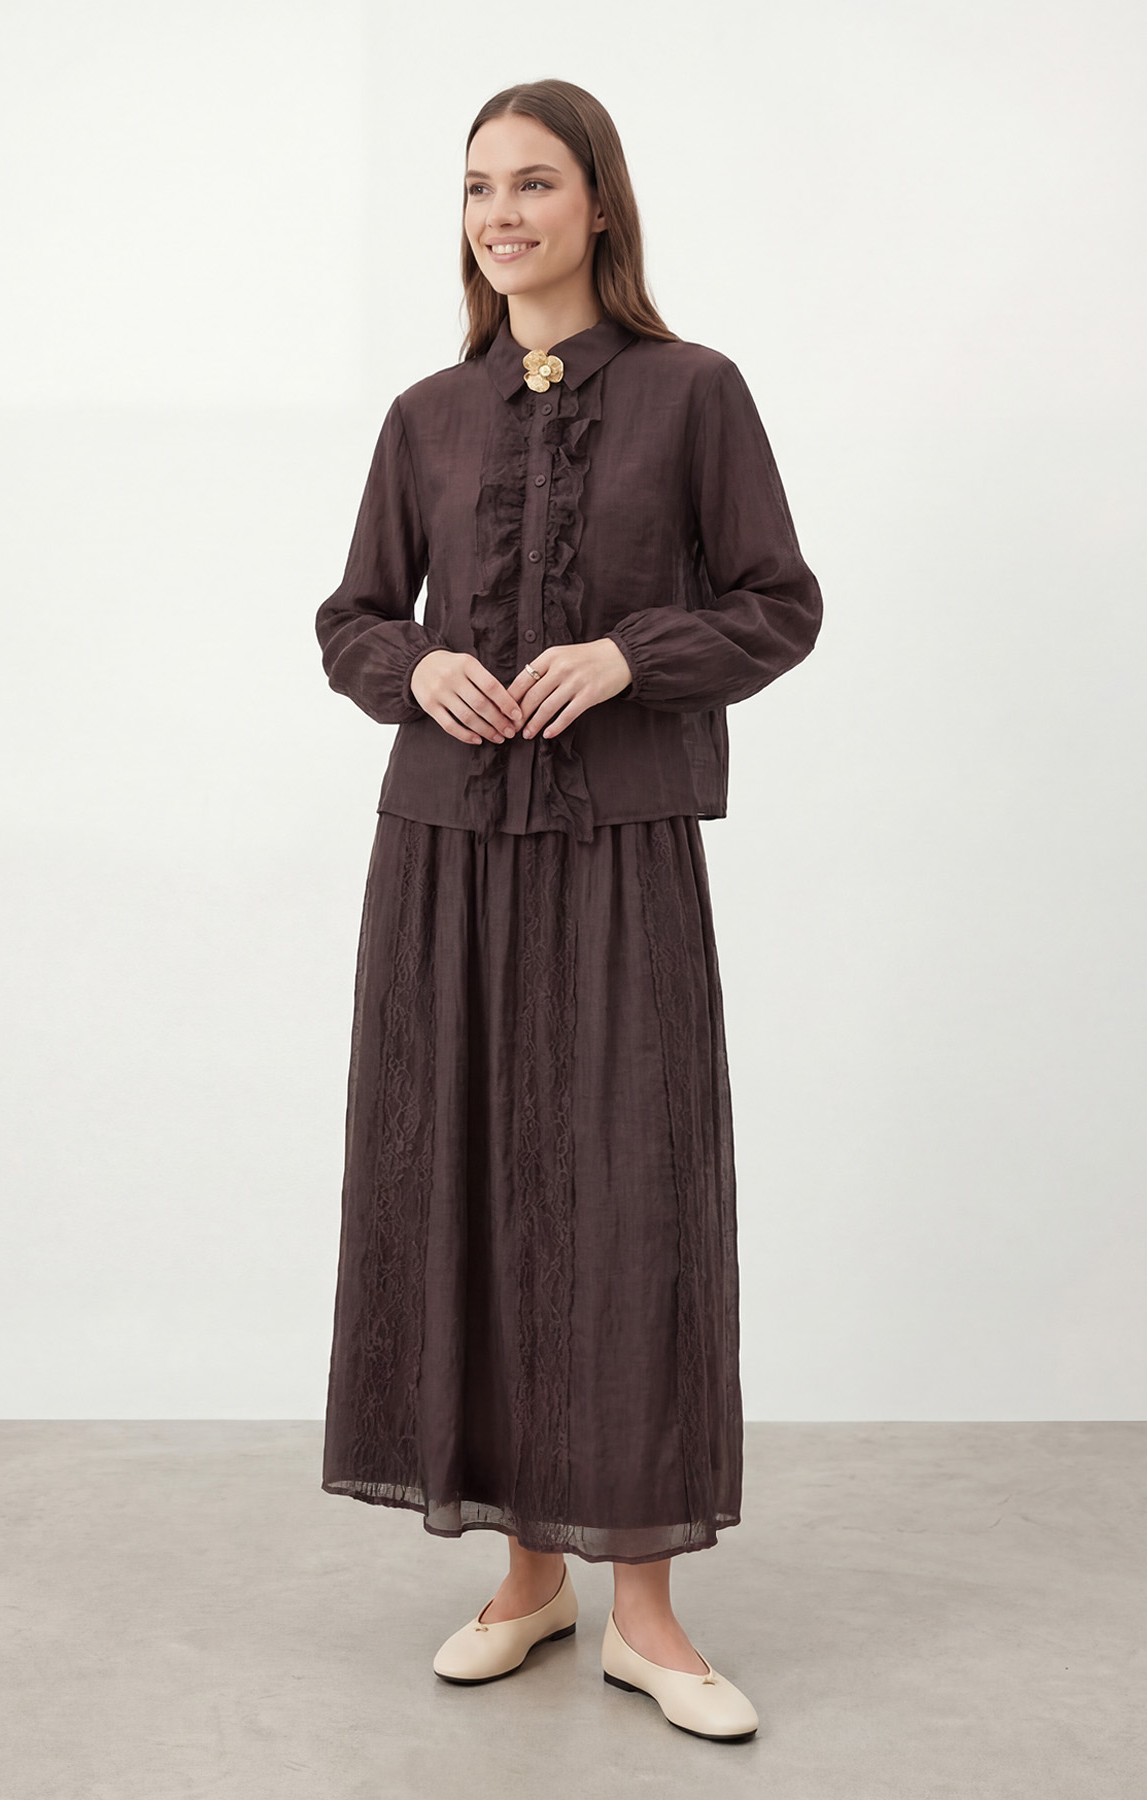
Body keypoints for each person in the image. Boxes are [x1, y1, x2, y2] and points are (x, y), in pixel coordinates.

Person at [315, 78, 822, 1744]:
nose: (501, 215)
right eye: (478, 188)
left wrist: (628, 657)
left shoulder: (694, 393)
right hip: (446, 849)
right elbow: (351, 616)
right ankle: (528, 1577)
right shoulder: (426, 416)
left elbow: (780, 603)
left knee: (629, 1196)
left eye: (534, 183)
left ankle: (646, 1616)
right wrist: (416, 668)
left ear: (600, 202)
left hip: (620, 845)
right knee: (469, 1180)